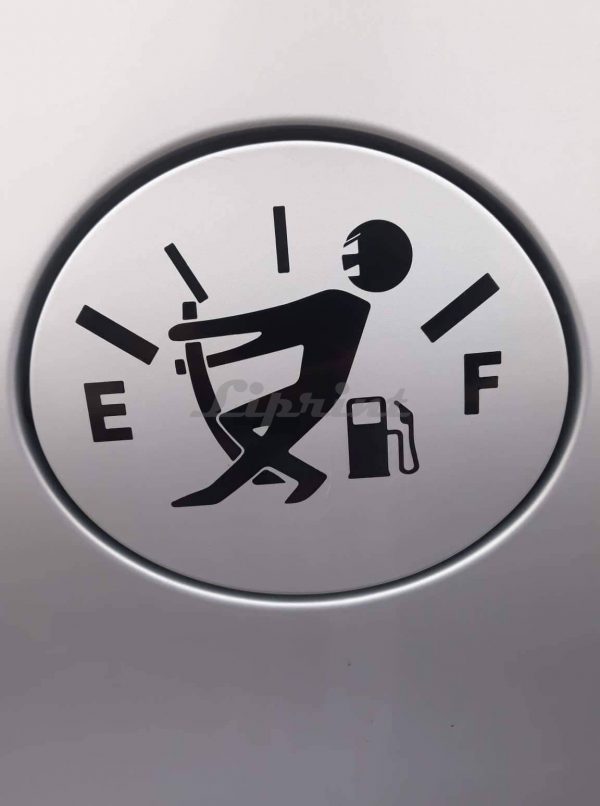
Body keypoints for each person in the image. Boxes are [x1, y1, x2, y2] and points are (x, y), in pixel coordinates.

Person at [169, 218, 413, 506]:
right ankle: (304, 476)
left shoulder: (337, 303)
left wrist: (201, 331)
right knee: (245, 430)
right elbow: (277, 333)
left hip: (313, 394)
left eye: (354, 250)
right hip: (312, 391)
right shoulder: (344, 304)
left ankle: (221, 493)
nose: (347, 257)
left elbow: (269, 324)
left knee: (246, 432)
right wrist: (216, 352)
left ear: (370, 259)